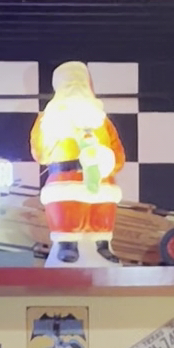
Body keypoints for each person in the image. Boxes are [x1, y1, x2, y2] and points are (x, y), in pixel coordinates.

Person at [31, 61, 125, 265]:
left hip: (101, 177)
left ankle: (102, 245)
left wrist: (111, 161)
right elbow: (40, 152)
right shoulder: (49, 120)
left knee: (101, 212)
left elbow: (116, 148)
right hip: (65, 176)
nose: (75, 87)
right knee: (67, 211)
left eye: (79, 82)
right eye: (69, 82)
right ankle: (67, 245)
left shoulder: (101, 120)